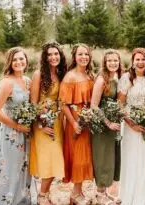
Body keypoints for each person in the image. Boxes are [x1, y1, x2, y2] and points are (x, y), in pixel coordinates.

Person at [0, 47, 32, 205]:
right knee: (9, 169)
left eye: (21, 58)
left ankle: (21, 200)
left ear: (26, 60)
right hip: (11, 133)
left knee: (23, 167)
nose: (19, 62)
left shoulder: (27, 81)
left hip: (25, 132)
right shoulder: (7, 82)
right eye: (15, 60)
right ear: (9, 63)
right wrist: (17, 126)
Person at [118, 48, 145, 205]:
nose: (140, 62)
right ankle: (131, 196)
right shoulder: (126, 78)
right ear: (133, 62)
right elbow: (120, 105)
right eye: (137, 59)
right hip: (131, 127)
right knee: (133, 159)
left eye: (143, 59)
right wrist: (132, 124)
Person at [29, 42, 67, 204]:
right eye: (49, 55)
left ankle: (45, 193)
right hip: (42, 124)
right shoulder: (39, 75)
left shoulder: (61, 73)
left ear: (60, 56)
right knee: (49, 158)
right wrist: (41, 125)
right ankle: (42, 196)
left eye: (56, 54)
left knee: (55, 159)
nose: (53, 57)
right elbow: (33, 104)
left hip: (57, 122)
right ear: (45, 58)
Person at [59, 43, 94, 205]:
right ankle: (75, 193)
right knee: (77, 156)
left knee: (85, 156)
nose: (84, 57)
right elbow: (63, 104)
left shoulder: (89, 76)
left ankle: (78, 192)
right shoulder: (69, 77)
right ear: (74, 57)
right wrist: (73, 123)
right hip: (76, 122)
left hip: (88, 122)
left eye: (86, 54)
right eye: (80, 54)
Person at [90, 49, 124, 204]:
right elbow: (94, 106)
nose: (113, 63)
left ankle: (104, 192)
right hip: (102, 126)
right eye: (109, 61)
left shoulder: (117, 78)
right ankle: (99, 194)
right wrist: (108, 122)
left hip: (114, 125)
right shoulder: (101, 79)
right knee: (102, 157)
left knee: (110, 158)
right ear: (105, 62)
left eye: (115, 60)